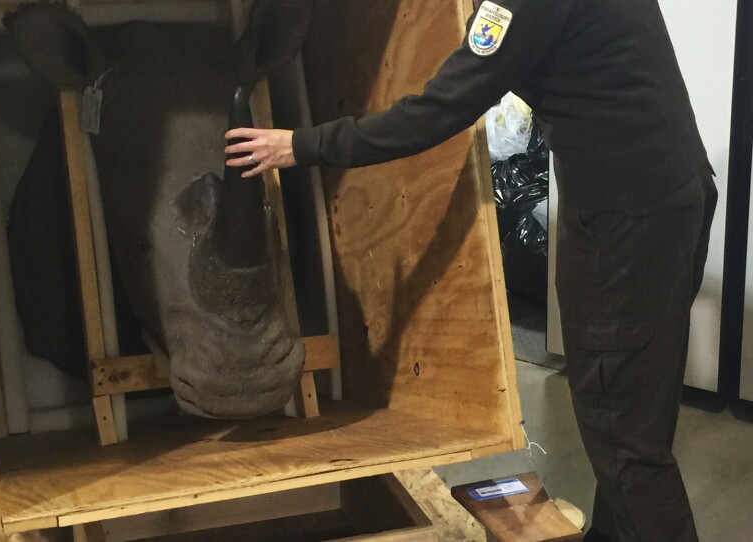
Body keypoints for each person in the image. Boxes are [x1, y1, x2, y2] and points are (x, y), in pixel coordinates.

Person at [224, 0, 717, 540]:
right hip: (677, 192)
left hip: (626, 222)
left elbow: (435, 111)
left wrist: (300, 144)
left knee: (623, 434)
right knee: (632, 415)